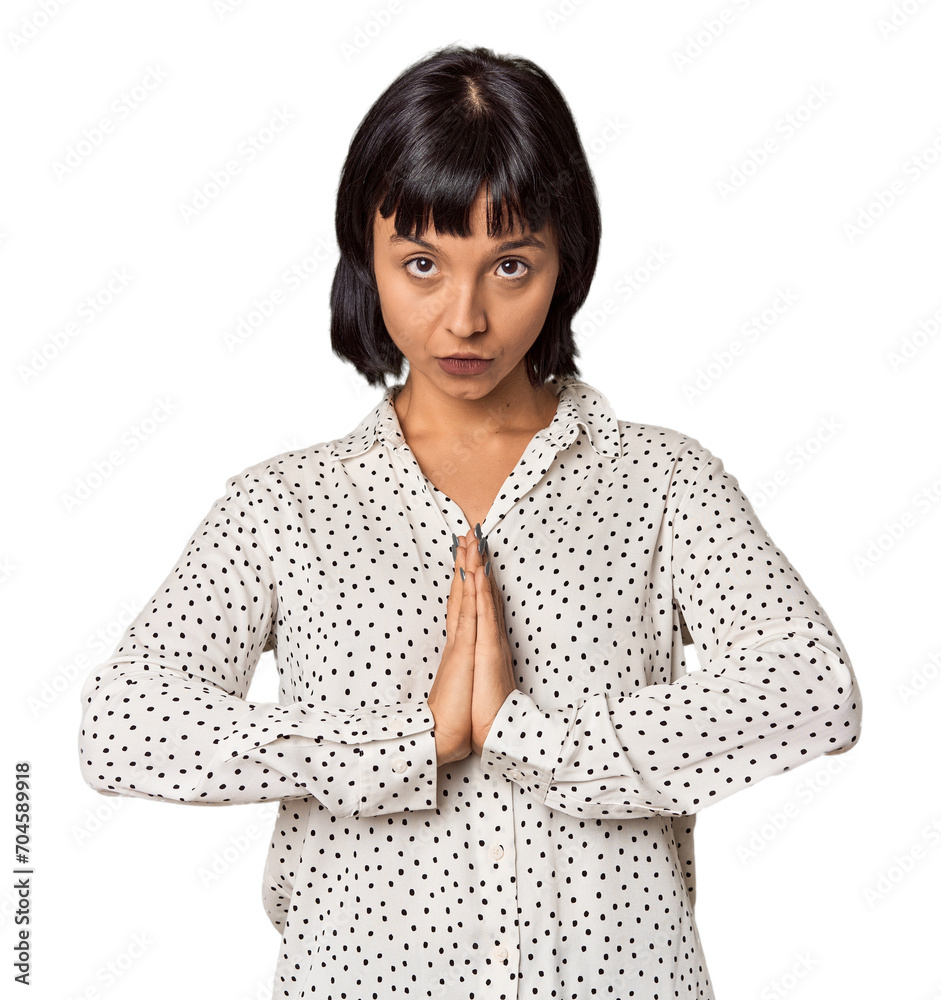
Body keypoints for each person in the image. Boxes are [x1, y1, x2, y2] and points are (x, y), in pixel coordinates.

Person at [77, 43, 863, 1000]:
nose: (465, 318)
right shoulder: (281, 507)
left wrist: (522, 734)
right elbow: (121, 727)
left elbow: (813, 692)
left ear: (564, 258)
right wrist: (407, 744)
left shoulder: (663, 484)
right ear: (363, 256)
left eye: (511, 265)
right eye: (421, 264)